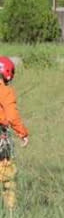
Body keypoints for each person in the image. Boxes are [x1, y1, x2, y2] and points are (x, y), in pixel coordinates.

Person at [0, 57, 29, 210]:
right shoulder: (5, 90)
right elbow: (11, 116)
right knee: (8, 175)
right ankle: (10, 211)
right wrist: (22, 133)